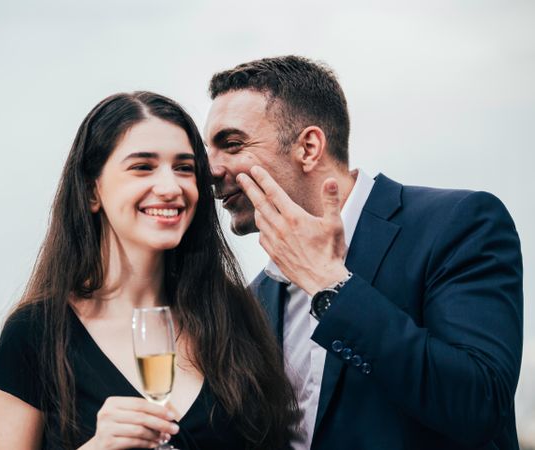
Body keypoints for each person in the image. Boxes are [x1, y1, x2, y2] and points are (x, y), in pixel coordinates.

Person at [204, 56, 523, 450]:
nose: (211, 169)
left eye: (232, 145)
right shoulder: (257, 298)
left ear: (308, 147)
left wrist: (330, 284)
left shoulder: (459, 224)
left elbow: (480, 404)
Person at [0, 91, 299, 450]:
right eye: (142, 167)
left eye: (184, 168)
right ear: (91, 191)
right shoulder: (34, 334)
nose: (170, 187)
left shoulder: (237, 316)